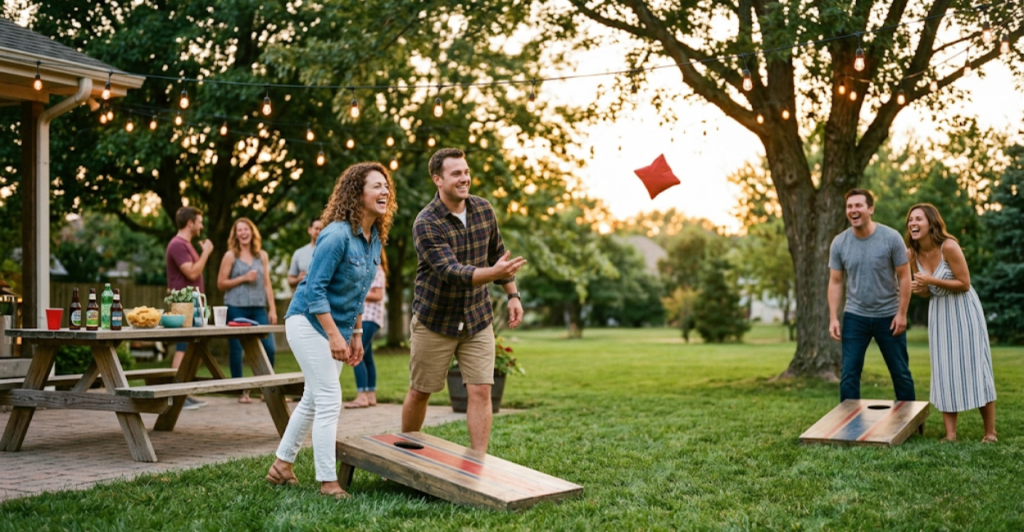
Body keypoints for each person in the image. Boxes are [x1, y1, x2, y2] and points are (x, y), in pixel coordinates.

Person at [266, 162, 396, 499]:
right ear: (357, 193)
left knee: (313, 398)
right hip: (307, 322)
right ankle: (328, 482)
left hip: (338, 328)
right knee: (328, 399)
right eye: (376, 186)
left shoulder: (374, 242)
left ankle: (282, 466)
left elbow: (356, 296)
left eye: (386, 186)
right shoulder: (336, 234)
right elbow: (314, 291)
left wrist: (354, 334)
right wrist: (334, 335)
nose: (384, 191)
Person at [401, 148, 525, 453]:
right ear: (437, 179)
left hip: (476, 318)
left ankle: (478, 463)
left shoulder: (484, 210)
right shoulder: (426, 222)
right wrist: (494, 272)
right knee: (421, 392)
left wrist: (512, 294)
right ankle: (404, 455)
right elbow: (450, 271)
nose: (464, 178)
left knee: (481, 390)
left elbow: (498, 254)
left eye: (466, 172)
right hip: (435, 320)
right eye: (456, 173)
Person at [906, 203, 997, 442]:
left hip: (964, 311)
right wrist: (922, 288)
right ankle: (950, 435)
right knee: (944, 369)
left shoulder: (949, 246)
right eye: (910, 220)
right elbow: (927, 292)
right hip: (939, 314)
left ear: (931, 223)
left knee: (977, 366)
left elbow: (964, 283)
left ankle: (990, 433)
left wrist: (930, 281)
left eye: (918, 219)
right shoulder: (912, 253)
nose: (912, 223)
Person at [828, 188, 915, 402]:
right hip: (855, 316)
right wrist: (833, 318)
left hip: (889, 316)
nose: (853, 210)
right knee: (849, 374)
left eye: (858, 205)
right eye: (849, 206)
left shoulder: (891, 238)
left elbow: (905, 277)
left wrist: (902, 313)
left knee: (900, 373)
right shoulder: (839, 243)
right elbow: (836, 281)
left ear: (870, 209)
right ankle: (849, 427)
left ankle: (912, 425)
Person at [216, 217, 278, 404]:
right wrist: (243, 278)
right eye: (239, 230)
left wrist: (272, 309)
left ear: (252, 232)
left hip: (258, 308)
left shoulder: (262, 255)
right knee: (237, 350)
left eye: (246, 229)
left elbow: (267, 284)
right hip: (236, 307)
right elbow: (221, 284)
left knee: (270, 348)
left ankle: (265, 389)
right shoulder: (230, 256)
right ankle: (241, 391)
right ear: (235, 235)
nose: (243, 233)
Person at [165, 206, 213, 410]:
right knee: (183, 348)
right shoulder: (177, 245)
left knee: (192, 349)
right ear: (190, 223)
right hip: (184, 304)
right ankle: (176, 395)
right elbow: (192, 273)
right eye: (200, 221)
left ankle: (184, 393)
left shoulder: (186, 245)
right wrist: (207, 253)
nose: (202, 225)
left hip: (193, 304)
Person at [343, 251, 387, 409]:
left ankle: (361, 396)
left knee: (356, 354)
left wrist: (357, 293)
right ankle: (370, 395)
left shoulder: (377, 270)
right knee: (367, 357)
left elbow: (378, 295)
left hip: (369, 318)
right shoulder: (367, 269)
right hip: (366, 318)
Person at [288, 218, 323, 288]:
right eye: (316, 228)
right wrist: (298, 279)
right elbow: (290, 280)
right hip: (304, 297)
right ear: (310, 230)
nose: (319, 232)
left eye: (321, 229)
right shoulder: (299, 253)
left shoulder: (330, 252)